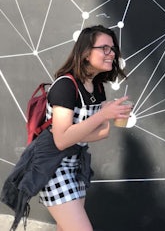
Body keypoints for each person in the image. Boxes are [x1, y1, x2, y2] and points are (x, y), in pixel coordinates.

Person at [39, 25, 132, 231]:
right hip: (53, 168)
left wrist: (109, 114)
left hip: (75, 167)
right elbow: (61, 140)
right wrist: (102, 115)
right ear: (86, 53)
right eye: (105, 48)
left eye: (113, 48)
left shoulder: (96, 87)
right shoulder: (66, 86)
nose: (112, 53)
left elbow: (101, 133)